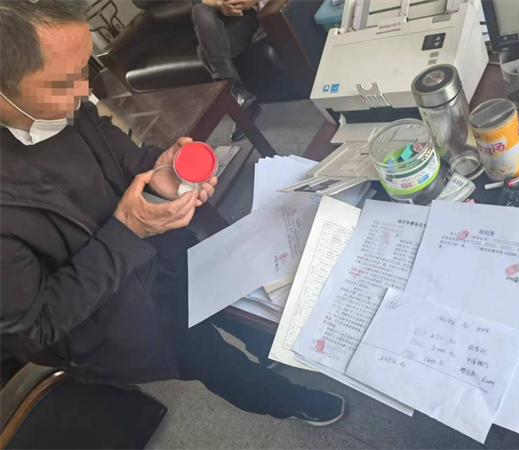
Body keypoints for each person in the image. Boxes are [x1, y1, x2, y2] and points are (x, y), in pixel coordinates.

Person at [0, 0, 344, 425]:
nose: (83, 90)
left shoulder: (66, 103)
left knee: (232, 304)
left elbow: (110, 145)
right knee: (215, 361)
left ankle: (264, 346)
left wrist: (156, 169)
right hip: (122, 316)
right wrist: (127, 232)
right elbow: (33, 328)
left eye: (85, 68)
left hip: (162, 253)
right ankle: (289, 401)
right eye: (64, 81)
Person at [191, 0, 262, 142]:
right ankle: (239, 95)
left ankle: (236, 96)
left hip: (249, 16)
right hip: (221, 22)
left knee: (204, 52)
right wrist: (218, 4)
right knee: (199, 9)